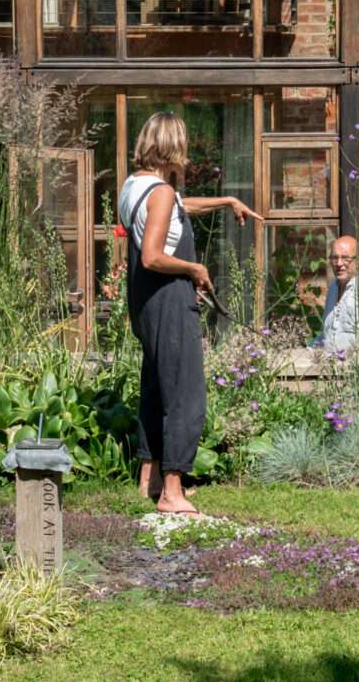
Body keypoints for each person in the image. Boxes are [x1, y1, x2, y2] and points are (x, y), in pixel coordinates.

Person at [119, 111, 260, 514]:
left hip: (145, 300)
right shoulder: (161, 192)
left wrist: (227, 200)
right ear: (171, 147)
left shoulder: (136, 185)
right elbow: (152, 256)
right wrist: (194, 269)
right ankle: (172, 492)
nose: (186, 152)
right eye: (182, 144)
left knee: (156, 386)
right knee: (184, 392)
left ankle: (150, 477)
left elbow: (178, 206)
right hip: (168, 297)